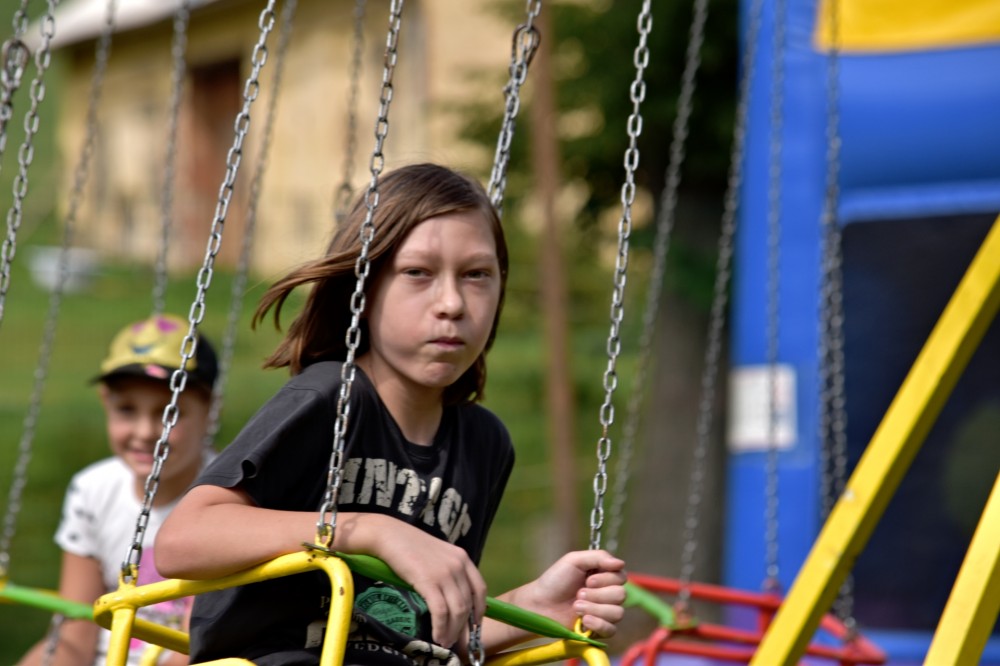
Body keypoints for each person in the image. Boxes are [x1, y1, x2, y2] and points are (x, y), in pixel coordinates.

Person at [154, 163, 627, 666]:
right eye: (418, 273)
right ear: (362, 290)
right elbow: (182, 540)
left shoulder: (484, 444)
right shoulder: (331, 398)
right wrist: (372, 530)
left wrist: (533, 605)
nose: (452, 304)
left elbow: (427, 637)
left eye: (476, 275)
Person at [17, 313, 219, 666]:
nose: (145, 432)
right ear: (105, 402)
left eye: (169, 414)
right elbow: (75, 631)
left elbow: (192, 649)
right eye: (127, 409)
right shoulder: (92, 490)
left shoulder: (225, 501)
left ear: (210, 411)